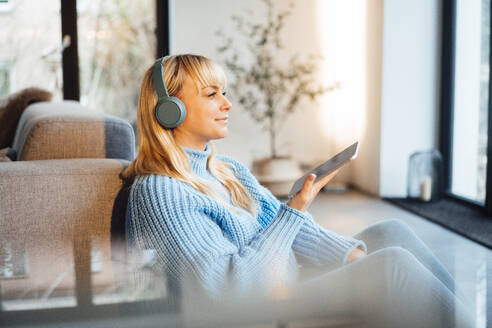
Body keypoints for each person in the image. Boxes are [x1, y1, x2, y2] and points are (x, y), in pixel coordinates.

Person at [121, 54, 475, 327]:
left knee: (391, 233)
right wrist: (295, 209)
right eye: (212, 95)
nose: (227, 104)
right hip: (239, 308)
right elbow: (226, 290)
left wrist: (350, 256)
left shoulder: (227, 171)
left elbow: (288, 230)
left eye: (224, 92)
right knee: (389, 266)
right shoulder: (162, 192)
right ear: (170, 111)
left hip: (277, 282)